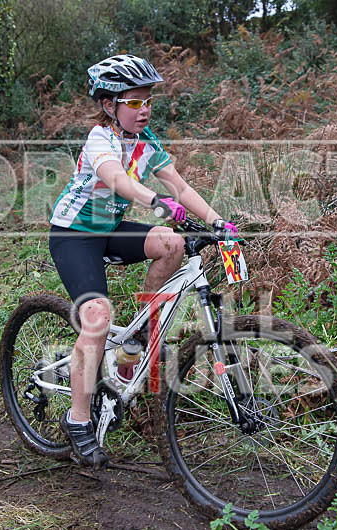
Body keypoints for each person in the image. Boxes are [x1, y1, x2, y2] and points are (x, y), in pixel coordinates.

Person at [49, 54, 238, 468]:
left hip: (110, 229)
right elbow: (117, 178)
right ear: (109, 105)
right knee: (95, 317)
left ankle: (138, 334)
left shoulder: (147, 141)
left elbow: (180, 185)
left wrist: (217, 221)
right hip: (74, 235)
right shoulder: (101, 139)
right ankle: (77, 420)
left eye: (147, 100)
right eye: (133, 102)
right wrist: (154, 200)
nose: (144, 109)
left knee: (172, 244)